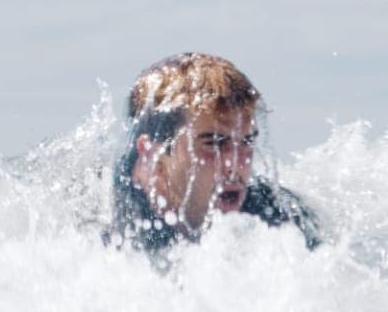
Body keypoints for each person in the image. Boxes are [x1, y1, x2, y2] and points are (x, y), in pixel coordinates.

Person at [107, 52, 324, 254]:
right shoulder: (106, 224)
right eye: (213, 143)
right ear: (153, 154)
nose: (235, 164)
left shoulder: (282, 216)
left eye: (247, 141)